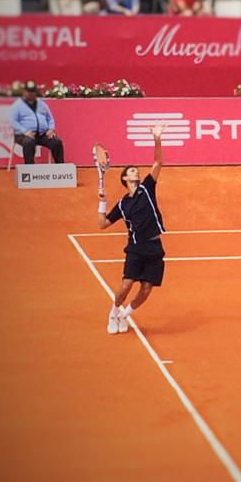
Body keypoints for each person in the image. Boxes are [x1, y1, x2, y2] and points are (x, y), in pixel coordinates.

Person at [97, 124, 166, 335]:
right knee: (126, 286)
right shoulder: (122, 204)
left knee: (146, 290)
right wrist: (102, 202)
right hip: (135, 248)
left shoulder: (147, 187)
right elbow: (103, 224)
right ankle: (113, 312)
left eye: (136, 170)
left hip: (154, 246)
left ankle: (124, 315)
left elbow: (158, 162)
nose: (137, 171)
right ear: (126, 178)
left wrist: (157, 139)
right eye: (132, 171)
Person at [10, 83, 65, 165]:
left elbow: (50, 118)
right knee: (29, 143)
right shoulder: (17, 105)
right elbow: (13, 122)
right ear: (24, 92)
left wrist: (51, 129)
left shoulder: (42, 104)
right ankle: (30, 170)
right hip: (24, 135)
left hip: (43, 134)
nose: (31, 93)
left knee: (57, 142)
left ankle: (61, 169)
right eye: (29, 91)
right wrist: (25, 132)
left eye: (33, 91)